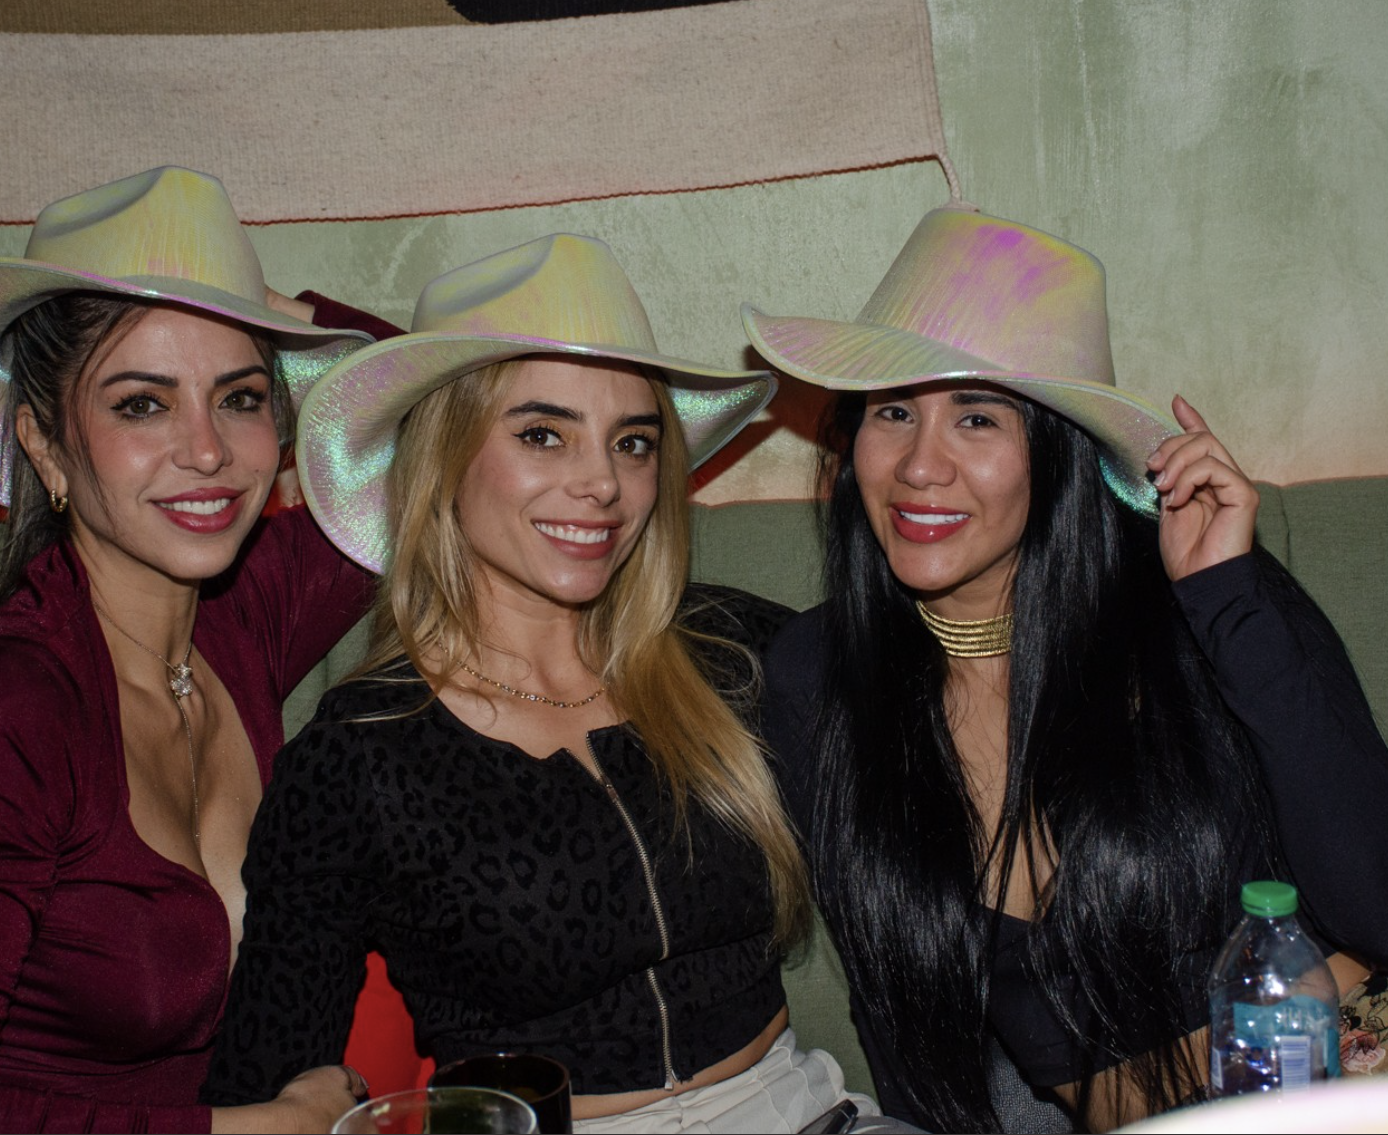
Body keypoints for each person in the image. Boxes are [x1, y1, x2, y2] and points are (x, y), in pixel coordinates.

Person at [743, 207, 1388, 1132]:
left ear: (1056, 451)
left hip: (1374, 1081)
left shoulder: (1192, 595)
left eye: (976, 417)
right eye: (894, 412)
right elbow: (899, 1002)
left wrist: (1228, 601)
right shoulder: (822, 675)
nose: (919, 465)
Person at [202, 234, 880, 1133]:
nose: (602, 482)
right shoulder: (359, 757)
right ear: (443, 457)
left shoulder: (727, 648)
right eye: (541, 434)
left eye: (632, 442)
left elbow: (937, 684)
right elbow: (266, 1083)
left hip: (809, 1110)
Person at [0, 167, 390, 1133]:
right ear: (45, 446)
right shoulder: (3, 713)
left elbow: (421, 419)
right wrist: (257, 1129)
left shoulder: (239, 616)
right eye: (142, 403)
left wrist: (269, 308)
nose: (208, 451)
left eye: (240, 396)